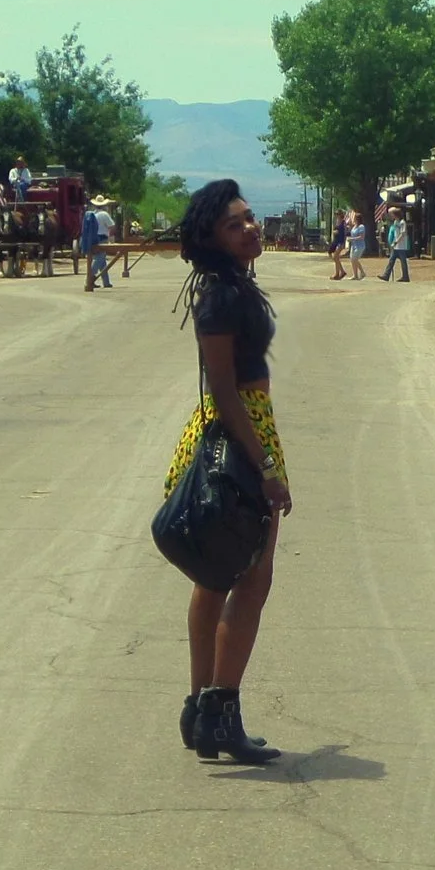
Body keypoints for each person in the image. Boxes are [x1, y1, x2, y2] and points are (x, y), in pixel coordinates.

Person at [165, 179, 289, 765]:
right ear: (213, 239)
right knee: (251, 577)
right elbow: (223, 385)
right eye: (235, 224)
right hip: (237, 430)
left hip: (237, 425)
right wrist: (264, 464)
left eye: (250, 218)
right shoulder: (220, 296)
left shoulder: (231, 286)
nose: (250, 227)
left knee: (216, 575)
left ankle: (201, 713)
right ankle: (220, 711)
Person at [83, 198, 117, 291]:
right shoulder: (104, 214)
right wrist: (111, 237)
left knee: (102, 262)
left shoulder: (92, 214)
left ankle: (106, 282)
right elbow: (112, 226)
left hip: (94, 238)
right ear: (104, 205)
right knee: (99, 259)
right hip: (102, 238)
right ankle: (89, 279)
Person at [382, 206, 413, 282]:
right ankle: (386, 275)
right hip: (396, 246)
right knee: (391, 260)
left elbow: (403, 234)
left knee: (403, 261)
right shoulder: (395, 222)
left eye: (393, 214)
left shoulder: (402, 223)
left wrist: (396, 242)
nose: (391, 216)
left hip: (401, 246)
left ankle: (405, 276)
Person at [346, 210, 368, 281]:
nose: (353, 218)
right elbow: (351, 231)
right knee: (353, 260)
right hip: (354, 245)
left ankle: (362, 272)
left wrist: (352, 239)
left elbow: (361, 237)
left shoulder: (361, 226)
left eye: (355, 217)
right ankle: (355, 275)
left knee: (355, 259)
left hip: (360, 246)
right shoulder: (354, 226)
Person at [328, 211, 349, 280]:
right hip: (336, 241)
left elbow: (345, 233)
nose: (336, 215)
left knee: (335, 256)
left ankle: (338, 273)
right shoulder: (337, 222)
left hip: (341, 241)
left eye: (338, 214)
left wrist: (344, 243)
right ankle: (341, 272)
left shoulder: (343, 223)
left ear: (340, 215)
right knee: (335, 257)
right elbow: (334, 230)